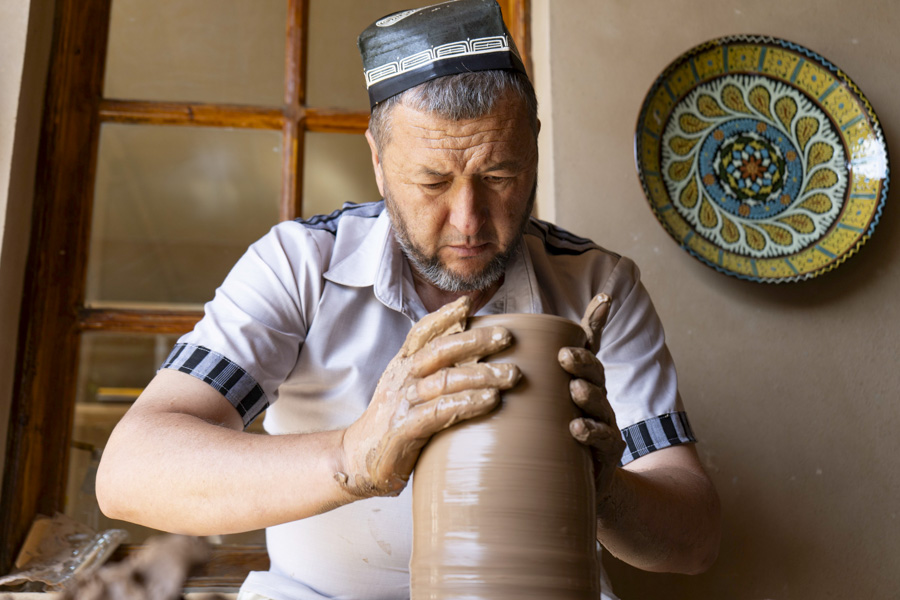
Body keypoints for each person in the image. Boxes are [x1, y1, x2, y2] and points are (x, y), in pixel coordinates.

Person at [96, 1, 721, 599]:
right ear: (376, 159)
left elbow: (695, 545)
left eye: (500, 176)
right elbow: (130, 472)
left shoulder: (598, 286)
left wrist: (606, 487)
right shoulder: (298, 265)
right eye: (431, 181)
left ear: (533, 145)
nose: (468, 220)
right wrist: (354, 455)